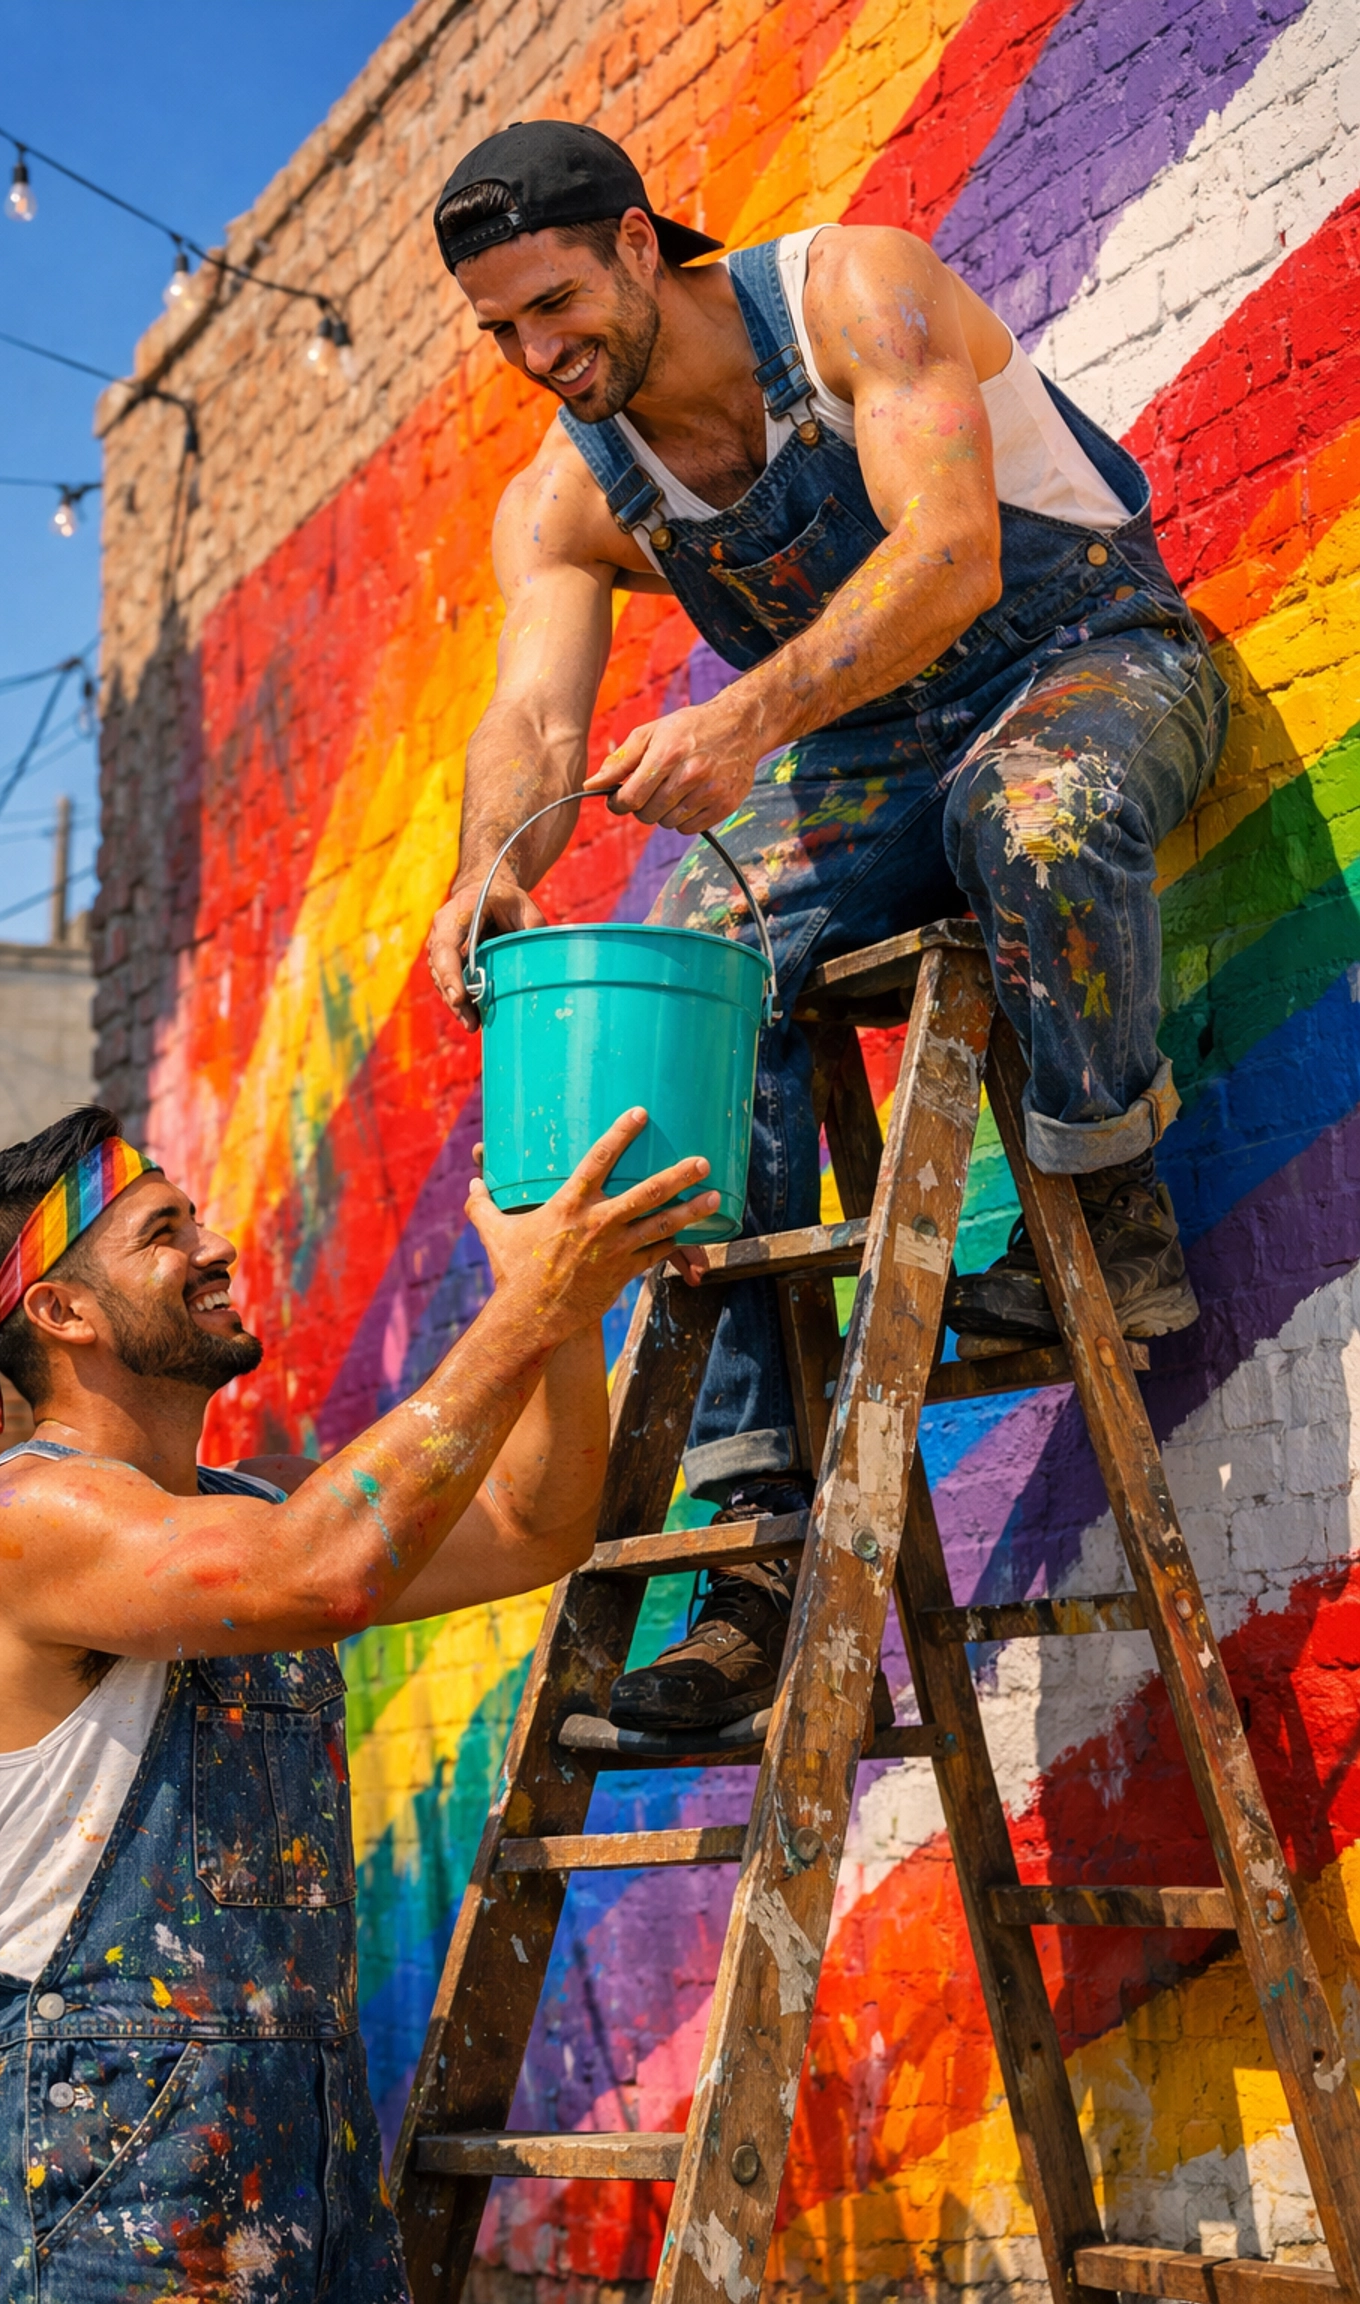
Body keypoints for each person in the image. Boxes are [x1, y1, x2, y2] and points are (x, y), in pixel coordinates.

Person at [425, 120, 1229, 1735]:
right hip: (876, 761)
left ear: (642, 242)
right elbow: (530, 709)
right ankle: (754, 1560)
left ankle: (1108, 1208)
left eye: (557, 304)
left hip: (1090, 661)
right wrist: (483, 864)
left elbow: (947, 555)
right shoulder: (571, 494)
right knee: (701, 956)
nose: (538, 352)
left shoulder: (857, 290)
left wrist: (748, 722)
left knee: (1037, 812)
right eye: (504, 329)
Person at [0, 1100, 717, 2301]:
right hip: (89, 2184)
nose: (216, 1247)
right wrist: (524, 1308)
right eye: (163, 1231)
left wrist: (565, 1313)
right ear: (63, 1313)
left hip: (299, 2165)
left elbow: (535, 1527)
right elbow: (323, 1573)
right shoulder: (19, 1521)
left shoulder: (248, 1511)